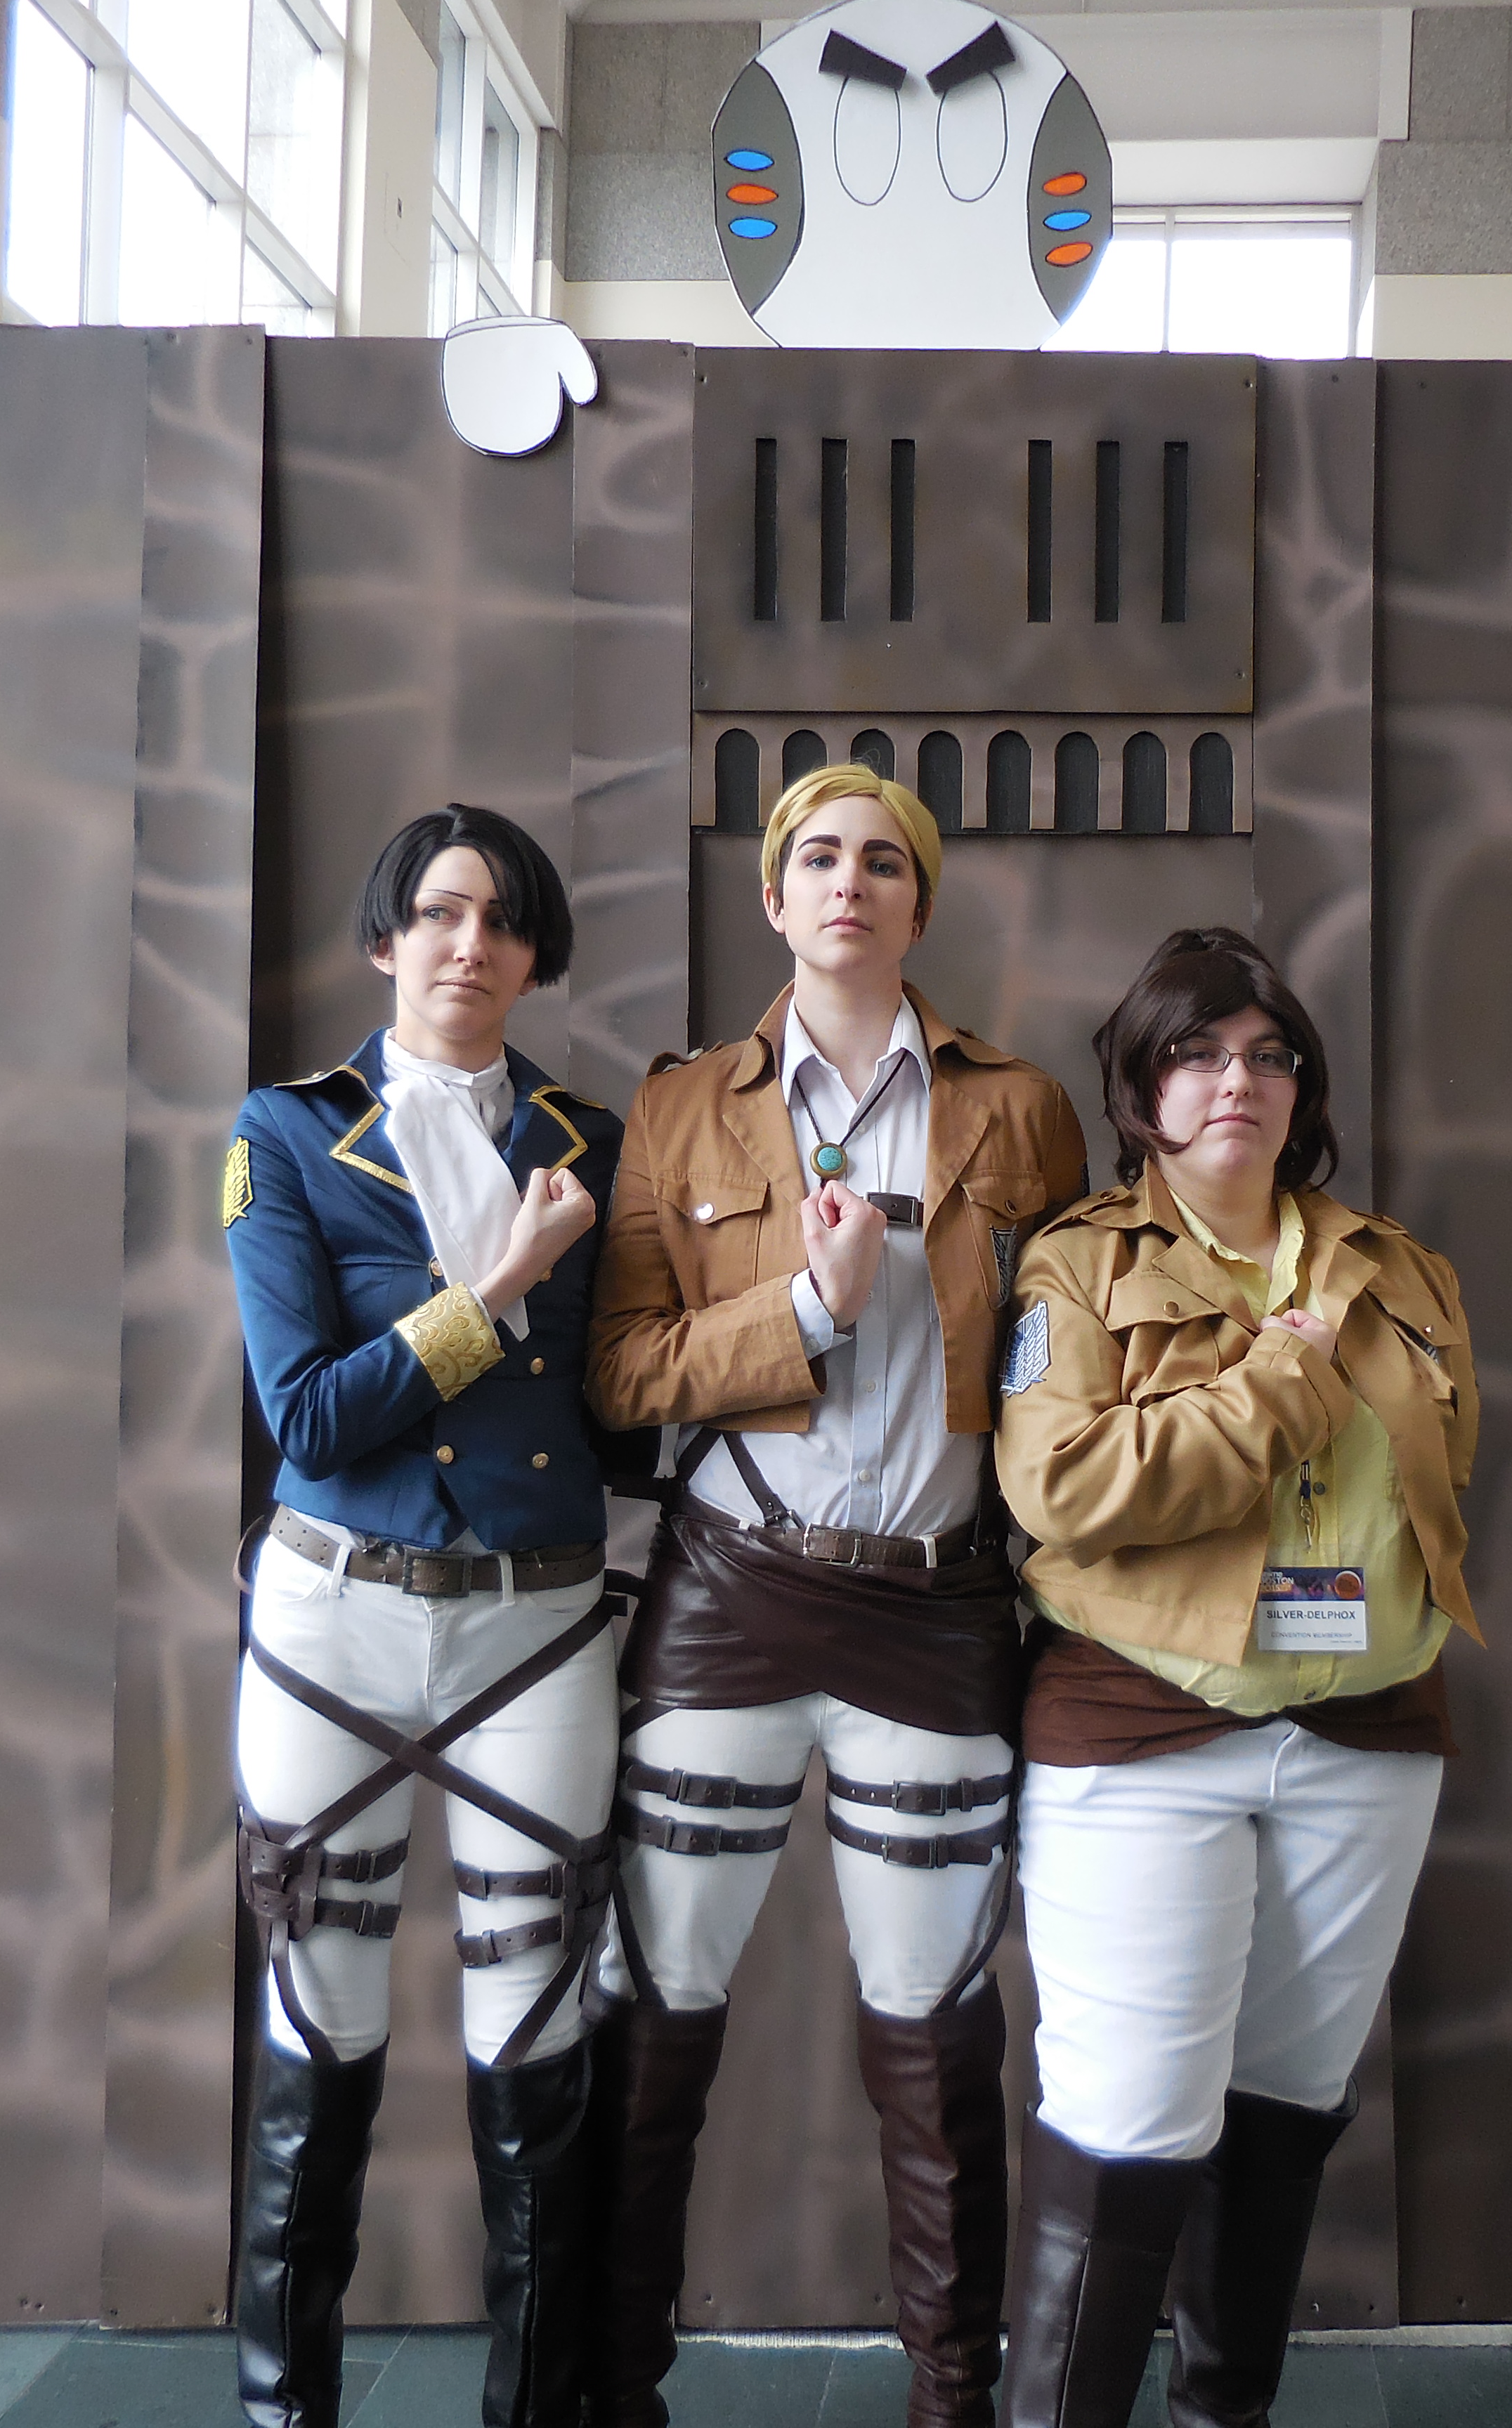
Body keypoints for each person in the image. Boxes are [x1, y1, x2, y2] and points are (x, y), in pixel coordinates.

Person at [584, 764, 1089, 2428]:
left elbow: (1064, 1367)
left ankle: (955, 2398)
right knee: (655, 2022)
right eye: (818, 857)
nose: (849, 882)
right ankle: (615, 2388)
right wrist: (805, 1311)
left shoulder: (1019, 1110)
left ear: (919, 904)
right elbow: (622, 1372)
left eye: (883, 860)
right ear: (774, 898)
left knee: (937, 2043)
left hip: (939, 1613)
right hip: (729, 1598)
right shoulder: (682, 1109)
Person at [992, 927, 1484, 2428]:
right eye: (1197, 1053)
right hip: (1142, 1728)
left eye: (1269, 1056)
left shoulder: (1398, 1267)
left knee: (1284, 2108)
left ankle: (1225, 2413)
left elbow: (1442, 1473)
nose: (1237, 1081)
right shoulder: (1078, 1264)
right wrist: (1277, 1382)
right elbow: (1065, 1488)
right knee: (1130, 2116)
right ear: (1141, 1088)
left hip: (1371, 1731)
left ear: (1302, 1089)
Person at [221, 806, 623, 2428]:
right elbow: (310, 1419)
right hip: (334, 1627)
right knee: (318, 2026)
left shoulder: (595, 1141)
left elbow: (626, 1402)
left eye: (506, 920)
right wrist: (499, 1291)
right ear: (386, 938)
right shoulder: (287, 1132)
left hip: (539, 1629)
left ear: (536, 956)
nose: (474, 944)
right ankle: (287, 2413)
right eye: (443, 912)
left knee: (540, 2041)